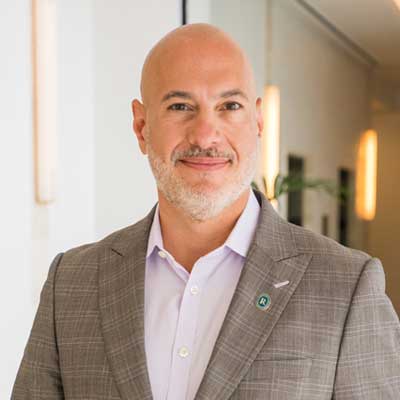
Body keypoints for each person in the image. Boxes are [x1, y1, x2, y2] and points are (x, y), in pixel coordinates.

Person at [12, 23, 400, 400]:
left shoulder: (346, 287)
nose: (205, 135)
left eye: (229, 106)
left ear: (258, 121)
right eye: (180, 106)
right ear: (141, 126)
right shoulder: (71, 284)